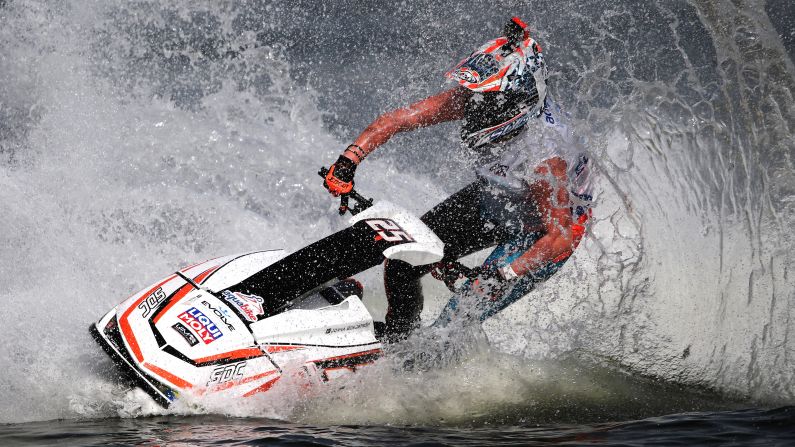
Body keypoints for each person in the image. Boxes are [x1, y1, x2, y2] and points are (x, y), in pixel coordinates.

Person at [323, 17, 594, 341]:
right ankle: (399, 339)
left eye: (488, 100)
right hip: (500, 196)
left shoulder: (544, 156)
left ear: (518, 102)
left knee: (460, 314)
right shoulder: (478, 101)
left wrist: (503, 274)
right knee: (405, 260)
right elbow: (398, 120)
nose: (474, 108)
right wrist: (349, 160)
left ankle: (435, 360)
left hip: (546, 232)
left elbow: (559, 236)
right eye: (478, 95)